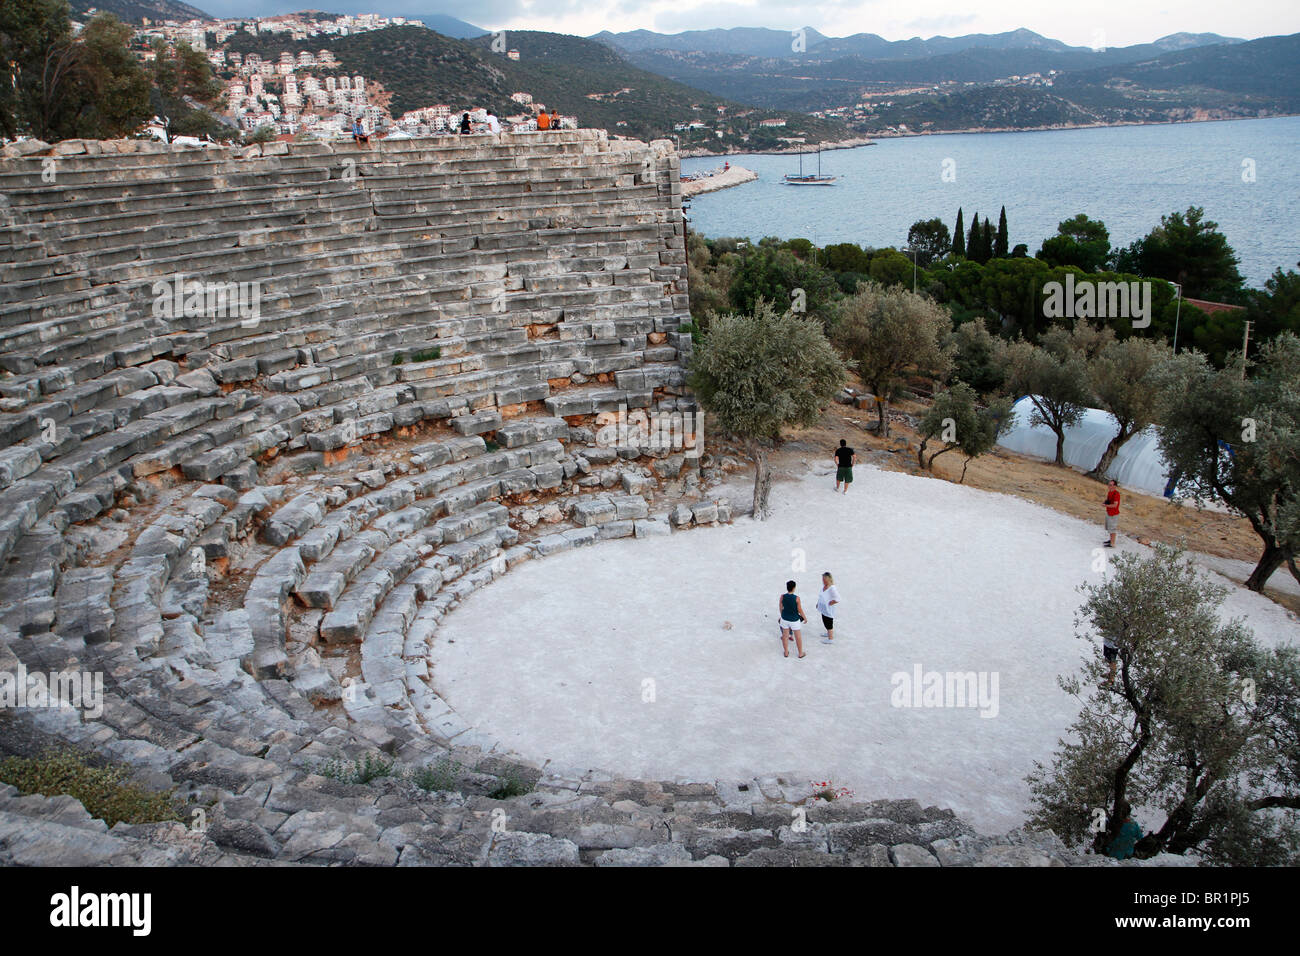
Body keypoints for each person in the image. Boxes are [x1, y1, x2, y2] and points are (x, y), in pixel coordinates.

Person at [778, 580, 807, 659]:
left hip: (784, 619)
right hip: (794, 620)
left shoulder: (782, 596)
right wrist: (804, 617)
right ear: (794, 588)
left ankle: (786, 652)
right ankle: (800, 653)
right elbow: (799, 610)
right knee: (798, 637)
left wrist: (782, 615)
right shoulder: (797, 598)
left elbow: (780, 607)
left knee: (785, 635)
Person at [816, 572, 840, 644]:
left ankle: (830, 639)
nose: (823, 581)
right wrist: (818, 603)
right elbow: (821, 596)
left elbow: (838, 599)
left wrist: (832, 602)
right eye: (822, 579)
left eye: (824, 579)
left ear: (828, 579)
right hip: (823, 609)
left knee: (828, 623)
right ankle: (828, 633)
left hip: (828, 610)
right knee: (825, 621)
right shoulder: (823, 586)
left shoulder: (832, 588)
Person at [1103, 478, 1121, 547]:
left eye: (1111, 485)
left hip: (1113, 514)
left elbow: (1115, 505)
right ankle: (1111, 540)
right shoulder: (1110, 492)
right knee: (1109, 528)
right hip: (1109, 512)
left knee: (1112, 528)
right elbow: (1109, 500)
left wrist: (1106, 505)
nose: (1109, 486)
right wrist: (1105, 503)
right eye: (1109, 485)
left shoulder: (1116, 494)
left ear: (1114, 486)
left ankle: (1112, 543)